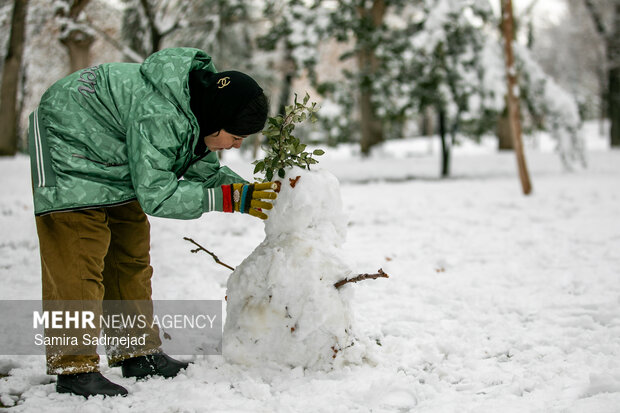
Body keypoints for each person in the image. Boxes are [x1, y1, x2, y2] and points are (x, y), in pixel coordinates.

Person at [28, 47, 278, 398]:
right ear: (218, 116)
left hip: (113, 151)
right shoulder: (160, 112)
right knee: (77, 258)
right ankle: (74, 368)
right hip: (67, 136)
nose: (235, 146)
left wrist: (247, 193)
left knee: (129, 253)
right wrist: (228, 199)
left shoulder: (195, 110)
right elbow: (157, 196)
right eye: (235, 136)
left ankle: (137, 353)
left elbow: (202, 170)